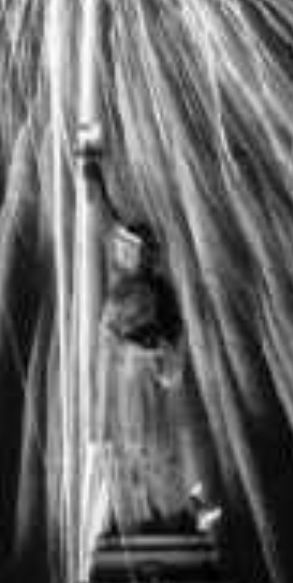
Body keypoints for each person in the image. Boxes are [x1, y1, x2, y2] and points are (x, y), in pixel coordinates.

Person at [76, 124, 218, 536]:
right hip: (125, 384)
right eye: (127, 248)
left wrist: (148, 348)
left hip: (145, 385)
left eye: (133, 250)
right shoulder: (134, 281)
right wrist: (90, 156)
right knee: (134, 454)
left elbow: (172, 356)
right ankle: (154, 518)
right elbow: (102, 213)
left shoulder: (156, 293)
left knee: (157, 452)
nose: (124, 253)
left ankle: (182, 513)